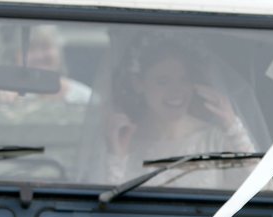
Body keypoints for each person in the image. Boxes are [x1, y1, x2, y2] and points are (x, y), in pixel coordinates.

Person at [105, 42, 255, 189]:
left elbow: (263, 192)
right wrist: (117, 158)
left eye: (184, 79)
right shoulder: (124, 141)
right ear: (139, 84)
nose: (176, 91)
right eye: (163, 82)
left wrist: (233, 128)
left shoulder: (213, 139)